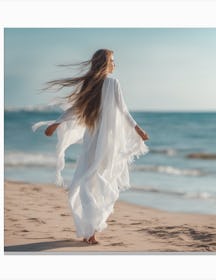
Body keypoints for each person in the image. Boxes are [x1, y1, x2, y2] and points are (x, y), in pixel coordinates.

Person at [32, 49, 149, 244]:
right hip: (97, 140)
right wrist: (57, 123)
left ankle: (91, 230)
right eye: (112, 60)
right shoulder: (105, 83)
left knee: (93, 182)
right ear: (104, 63)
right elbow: (81, 108)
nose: (114, 64)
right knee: (87, 182)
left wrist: (137, 129)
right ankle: (89, 230)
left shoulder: (110, 84)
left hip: (102, 142)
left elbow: (121, 110)